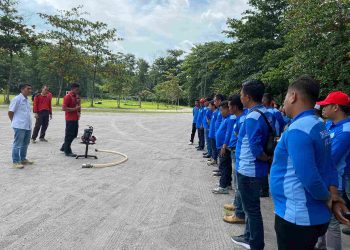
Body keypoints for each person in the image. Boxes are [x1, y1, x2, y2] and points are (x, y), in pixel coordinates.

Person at [270, 76, 349, 250]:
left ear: (293, 96)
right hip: (312, 214)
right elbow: (328, 165)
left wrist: (328, 198)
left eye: (285, 97)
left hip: (297, 216)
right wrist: (333, 195)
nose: (284, 102)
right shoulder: (319, 124)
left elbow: (308, 175)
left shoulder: (299, 129)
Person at [231, 80, 273, 250]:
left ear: (247, 97)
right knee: (250, 208)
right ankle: (248, 236)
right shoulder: (265, 112)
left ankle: (255, 243)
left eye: (241, 94)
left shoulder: (252, 117)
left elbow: (256, 149)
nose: (240, 96)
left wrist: (266, 159)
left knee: (252, 210)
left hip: (249, 170)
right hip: (253, 170)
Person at [315, 91, 350, 249]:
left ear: (336, 107)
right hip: (324, 180)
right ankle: (321, 245)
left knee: (332, 223)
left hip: (335, 183)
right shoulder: (329, 124)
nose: (322, 108)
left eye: (325, 105)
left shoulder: (346, 131)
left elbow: (331, 157)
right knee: (324, 218)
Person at [224, 94, 246, 224]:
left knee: (238, 185)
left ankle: (239, 213)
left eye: (229, 106)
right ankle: (237, 204)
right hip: (234, 152)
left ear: (235, 107)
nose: (228, 108)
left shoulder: (243, 120)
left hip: (238, 155)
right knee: (237, 184)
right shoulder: (239, 118)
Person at [8, 84, 34, 169]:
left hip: (27, 126)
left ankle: (23, 159)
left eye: (30, 89)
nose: (30, 90)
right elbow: (10, 112)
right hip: (19, 126)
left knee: (25, 143)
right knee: (17, 144)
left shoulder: (27, 100)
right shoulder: (17, 99)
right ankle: (15, 162)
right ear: (22, 89)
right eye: (28, 89)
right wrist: (14, 122)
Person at [212, 101, 233, 194]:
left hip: (223, 147)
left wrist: (224, 145)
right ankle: (227, 183)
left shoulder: (230, 119)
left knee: (224, 166)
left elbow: (228, 133)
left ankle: (223, 186)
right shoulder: (226, 118)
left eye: (222, 110)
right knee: (225, 166)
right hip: (221, 146)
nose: (221, 112)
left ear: (227, 109)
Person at [60, 83, 81, 157]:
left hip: (75, 118)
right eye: (76, 89)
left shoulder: (76, 97)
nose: (78, 91)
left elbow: (78, 106)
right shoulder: (67, 97)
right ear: (72, 89)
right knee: (69, 135)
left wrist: (78, 112)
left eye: (78, 89)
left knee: (74, 134)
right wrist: (75, 109)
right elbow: (63, 108)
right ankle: (67, 151)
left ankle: (64, 147)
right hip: (70, 119)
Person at [208, 100, 219, 166]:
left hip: (214, 134)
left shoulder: (217, 113)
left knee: (214, 148)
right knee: (213, 147)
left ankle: (214, 160)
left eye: (210, 105)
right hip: (211, 133)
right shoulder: (213, 113)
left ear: (213, 106)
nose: (209, 107)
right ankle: (213, 158)